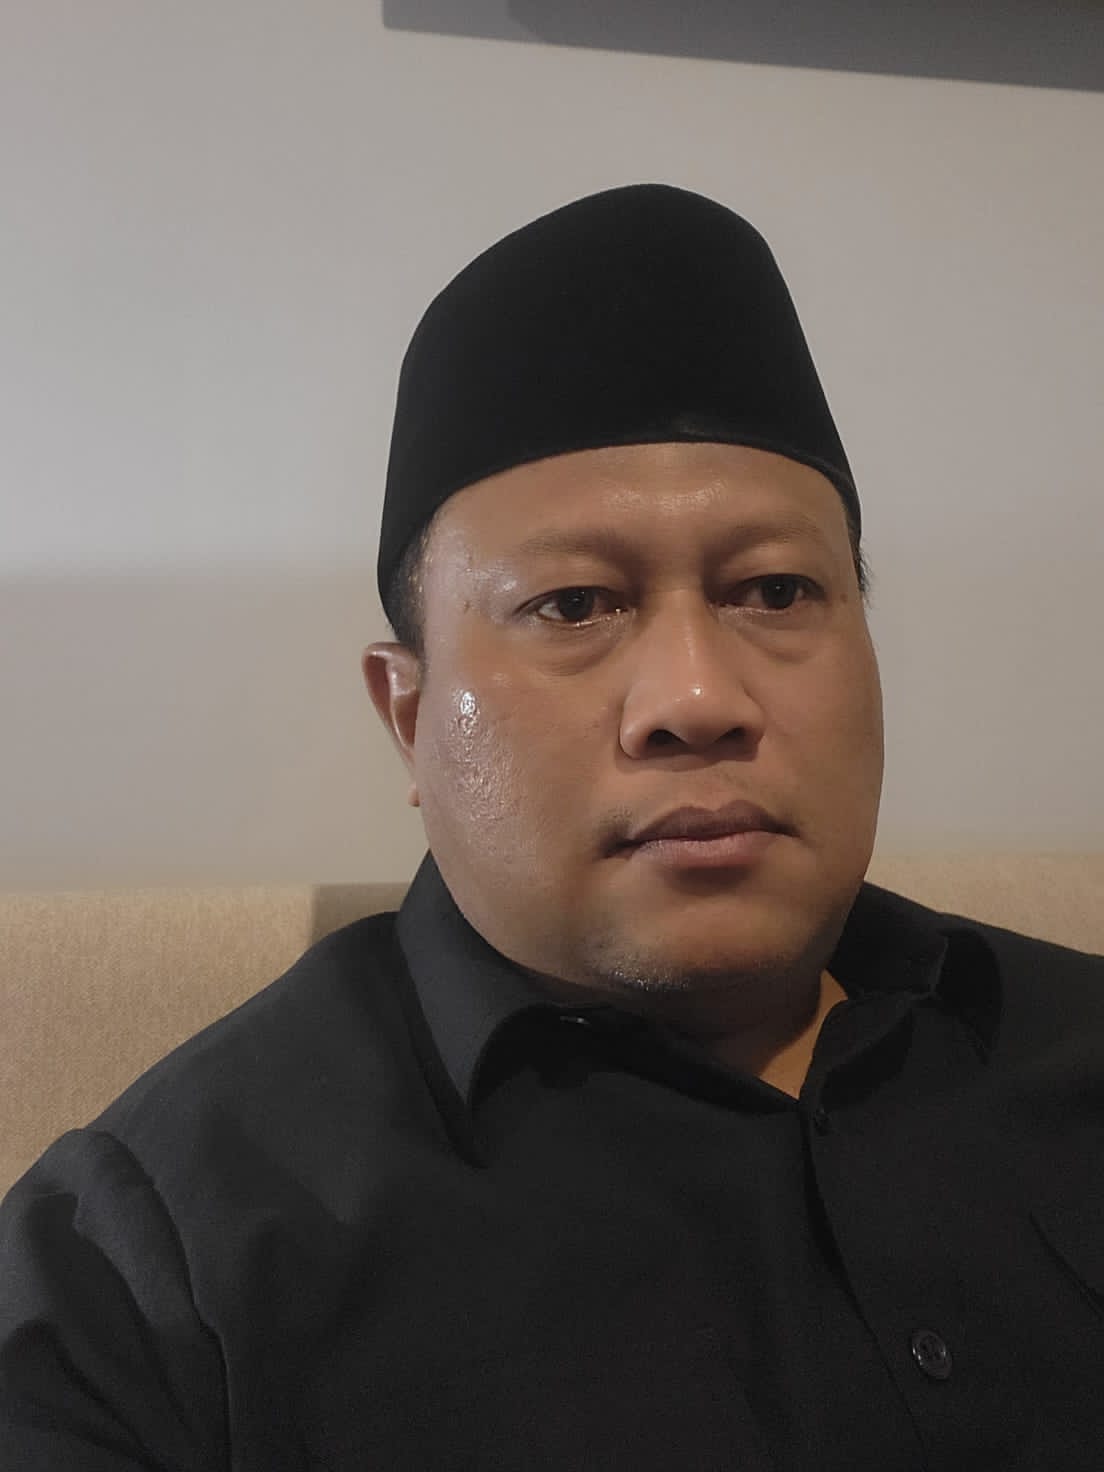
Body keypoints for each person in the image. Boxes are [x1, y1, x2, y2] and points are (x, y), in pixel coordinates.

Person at [1, 184, 1102, 1471]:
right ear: (408, 713)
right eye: (575, 604)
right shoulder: (149, 1273)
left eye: (776, 588)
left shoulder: (1071, 1041)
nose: (698, 697)